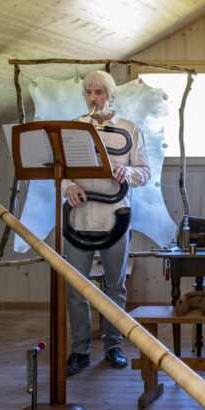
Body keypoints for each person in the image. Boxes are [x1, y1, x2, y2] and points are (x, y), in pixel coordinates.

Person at [63, 70, 150, 375]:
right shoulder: (73, 128)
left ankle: (113, 345)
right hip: (78, 217)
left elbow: (145, 172)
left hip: (116, 218)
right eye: (88, 92)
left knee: (115, 285)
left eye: (99, 92)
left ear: (111, 95)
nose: (93, 98)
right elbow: (60, 171)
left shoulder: (128, 129)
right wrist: (67, 186)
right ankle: (79, 350)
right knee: (75, 288)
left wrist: (129, 173)